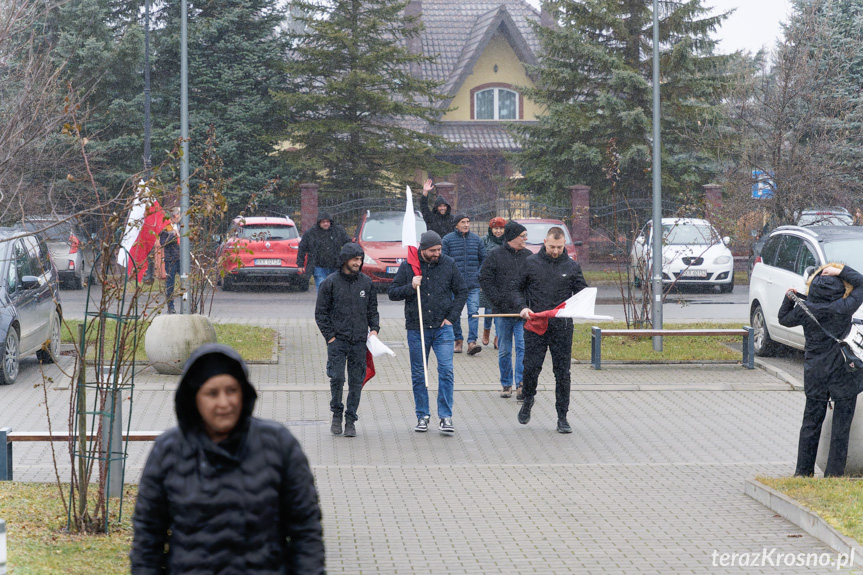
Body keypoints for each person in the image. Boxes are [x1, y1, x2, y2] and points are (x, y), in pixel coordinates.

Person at [130, 343, 325, 574]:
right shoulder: (168, 451)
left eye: (231, 390)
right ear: (194, 398)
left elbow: (306, 531)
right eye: (212, 393)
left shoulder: (279, 444)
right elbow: (147, 539)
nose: (224, 403)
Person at [778, 263, 863, 477]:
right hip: (843, 373)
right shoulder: (844, 307)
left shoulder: (805, 310)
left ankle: (802, 472)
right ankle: (834, 474)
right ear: (842, 290)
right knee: (841, 426)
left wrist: (788, 298)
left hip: (815, 372)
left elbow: (783, 319)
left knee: (811, 422)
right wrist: (841, 271)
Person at [389, 230, 467, 434]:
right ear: (423, 249)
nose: (437, 253)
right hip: (417, 328)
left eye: (439, 249)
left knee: (446, 370)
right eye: (433, 250)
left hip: (443, 329)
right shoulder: (409, 266)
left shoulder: (448, 263)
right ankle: (422, 415)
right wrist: (410, 285)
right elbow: (393, 293)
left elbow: (462, 291)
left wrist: (451, 318)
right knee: (419, 373)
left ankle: (445, 416)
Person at [516, 226, 588, 433]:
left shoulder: (572, 266)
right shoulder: (530, 263)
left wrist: (585, 301)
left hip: (561, 327)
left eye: (559, 247)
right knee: (531, 368)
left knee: (562, 373)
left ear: (563, 244)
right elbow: (516, 289)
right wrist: (522, 307)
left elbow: (581, 293)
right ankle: (528, 399)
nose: (556, 251)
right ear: (545, 243)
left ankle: (562, 417)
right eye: (552, 246)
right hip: (535, 325)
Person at [315, 243, 380, 438]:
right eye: (355, 259)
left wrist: (374, 330)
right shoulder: (330, 283)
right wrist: (331, 337)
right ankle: (337, 413)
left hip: (359, 342)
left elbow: (372, 310)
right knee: (337, 378)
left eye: (360, 260)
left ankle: (350, 419)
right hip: (338, 341)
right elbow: (320, 314)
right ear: (345, 260)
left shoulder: (367, 283)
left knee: (355, 382)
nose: (358, 263)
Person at [480, 221, 530, 399]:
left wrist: (528, 303)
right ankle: (506, 383)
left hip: (522, 313)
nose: (525, 239)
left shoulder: (529, 256)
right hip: (502, 312)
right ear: (512, 237)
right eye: (522, 236)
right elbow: (485, 279)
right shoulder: (495, 255)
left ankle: (522, 383)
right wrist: (497, 299)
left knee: (523, 348)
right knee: (504, 350)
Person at [442, 213, 486, 355]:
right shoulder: (447, 240)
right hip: (455, 286)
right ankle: (458, 340)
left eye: (468, 221)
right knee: (455, 313)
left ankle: (472, 342)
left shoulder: (477, 240)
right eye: (463, 222)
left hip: (473, 285)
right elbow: (444, 261)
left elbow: (484, 260)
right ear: (456, 224)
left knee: (473, 312)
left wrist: (478, 274)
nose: (466, 224)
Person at [296, 211, 352, 291]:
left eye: (327, 221)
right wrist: (300, 264)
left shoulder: (338, 231)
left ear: (330, 222)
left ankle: (332, 303)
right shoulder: (311, 233)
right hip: (319, 267)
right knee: (322, 289)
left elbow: (348, 243)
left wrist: (348, 258)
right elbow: (302, 248)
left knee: (335, 290)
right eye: (323, 222)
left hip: (335, 266)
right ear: (319, 222)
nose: (326, 224)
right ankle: (323, 303)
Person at [479, 217, 506, 348]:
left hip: (503, 280)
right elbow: (480, 259)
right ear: (491, 229)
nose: (498, 231)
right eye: (496, 228)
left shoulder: (507, 241)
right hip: (489, 279)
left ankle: (498, 336)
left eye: (501, 228)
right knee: (489, 309)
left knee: (500, 310)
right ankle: (486, 331)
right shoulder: (484, 240)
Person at [159, 207, 181, 314]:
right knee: (170, 284)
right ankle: (170, 306)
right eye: (179, 213)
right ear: (175, 215)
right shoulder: (166, 227)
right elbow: (162, 242)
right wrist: (172, 235)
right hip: (171, 259)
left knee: (185, 281)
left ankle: (185, 304)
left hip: (181, 259)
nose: (181, 216)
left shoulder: (182, 226)